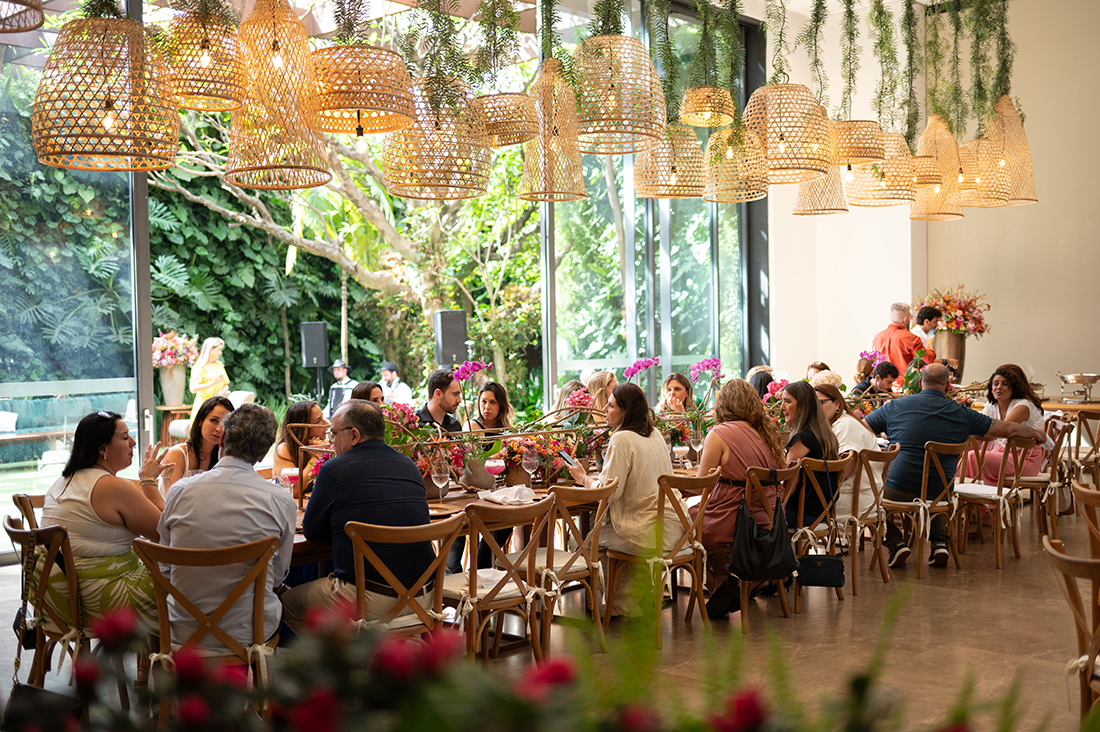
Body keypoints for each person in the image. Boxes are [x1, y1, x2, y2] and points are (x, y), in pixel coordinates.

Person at [864, 363, 1046, 568]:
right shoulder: (961, 413)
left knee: (865, 498)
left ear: (921, 382)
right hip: (941, 492)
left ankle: (896, 542)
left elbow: (862, 428)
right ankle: (940, 542)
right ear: (949, 385)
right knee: (934, 491)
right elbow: (1005, 429)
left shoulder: (895, 405)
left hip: (898, 490)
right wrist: (1035, 432)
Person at [281, 400, 435, 634]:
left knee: (286, 604)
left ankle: (339, 666)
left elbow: (312, 531)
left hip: (369, 600)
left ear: (354, 435)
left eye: (333, 434)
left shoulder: (333, 469)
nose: (330, 442)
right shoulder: (409, 466)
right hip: (425, 596)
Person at [157, 404, 295, 649]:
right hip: (250, 630)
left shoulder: (179, 491)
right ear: (262, 455)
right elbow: (277, 575)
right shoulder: (280, 500)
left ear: (222, 442)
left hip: (181, 627)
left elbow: (166, 566)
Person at [40, 411, 171, 631]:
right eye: (125, 437)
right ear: (103, 450)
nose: (134, 442)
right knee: (187, 585)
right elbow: (166, 533)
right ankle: (175, 658)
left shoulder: (62, 481)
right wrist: (148, 481)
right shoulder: (112, 487)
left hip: (57, 599)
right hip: (99, 601)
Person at [566, 383, 684, 615]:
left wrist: (582, 478)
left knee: (579, 540)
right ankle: (634, 597)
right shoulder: (655, 432)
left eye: (611, 406)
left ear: (625, 411)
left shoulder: (621, 439)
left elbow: (609, 492)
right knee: (608, 534)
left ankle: (621, 603)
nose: (606, 410)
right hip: (676, 527)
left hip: (646, 532)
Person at [690, 379, 785, 616]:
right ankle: (739, 581)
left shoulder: (719, 433)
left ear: (723, 404)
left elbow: (700, 483)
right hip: (770, 517)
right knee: (699, 516)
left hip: (737, 521)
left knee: (688, 521)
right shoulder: (766, 432)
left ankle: (722, 585)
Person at [968, 364, 1045, 485]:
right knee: (965, 456)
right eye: (996, 383)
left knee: (974, 457)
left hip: (1024, 459)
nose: (999, 387)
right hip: (1002, 453)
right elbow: (976, 430)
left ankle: (985, 501)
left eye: (1004, 384)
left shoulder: (1022, 406)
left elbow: (1004, 429)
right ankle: (966, 499)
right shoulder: (992, 406)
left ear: (1014, 387)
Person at [778, 380, 840, 528]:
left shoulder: (803, 440)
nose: (781, 407)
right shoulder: (826, 435)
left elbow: (789, 487)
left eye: (787, 401)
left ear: (803, 406)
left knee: (752, 516)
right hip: (824, 512)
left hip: (802, 516)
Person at [814, 383, 879, 521]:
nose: (815, 409)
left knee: (793, 508)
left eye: (820, 403)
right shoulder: (838, 423)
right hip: (859, 494)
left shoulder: (845, 425)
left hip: (854, 499)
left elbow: (845, 472)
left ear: (837, 403)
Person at [161, 396, 234, 494]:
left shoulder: (225, 458)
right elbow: (173, 500)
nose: (219, 429)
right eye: (214, 420)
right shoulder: (177, 454)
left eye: (225, 424)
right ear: (200, 421)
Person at [870, 303, 935, 387]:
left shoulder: (877, 337)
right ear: (905, 319)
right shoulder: (910, 338)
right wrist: (930, 344)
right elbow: (928, 360)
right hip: (905, 387)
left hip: (881, 388)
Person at [272, 400, 328, 490]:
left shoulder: (325, 445)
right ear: (302, 428)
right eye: (318, 421)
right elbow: (294, 490)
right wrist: (316, 455)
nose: (326, 423)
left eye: (323, 417)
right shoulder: (284, 450)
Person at [189, 337, 229, 423]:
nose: (221, 353)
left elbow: (226, 385)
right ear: (211, 350)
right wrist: (212, 383)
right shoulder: (199, 366)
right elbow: (193, 388)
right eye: (219, 350)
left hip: (218, 404)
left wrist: (220, 394)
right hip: (203, 405)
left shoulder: (219, 365)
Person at [418, 369, 463, 433]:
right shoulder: (415, 425)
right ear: (438, 394)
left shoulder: (455, 426)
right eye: (455, 394)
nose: (459, 400)